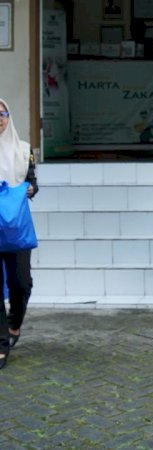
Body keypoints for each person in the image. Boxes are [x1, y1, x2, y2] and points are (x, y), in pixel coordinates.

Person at [0, 98, 38, 370]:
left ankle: (14, 324)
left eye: (2, 113)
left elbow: (33, 181)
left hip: (15, 228)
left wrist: (30, 189)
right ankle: (1, 344)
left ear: (8, 117)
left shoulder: (24, 151)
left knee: (21, 283)